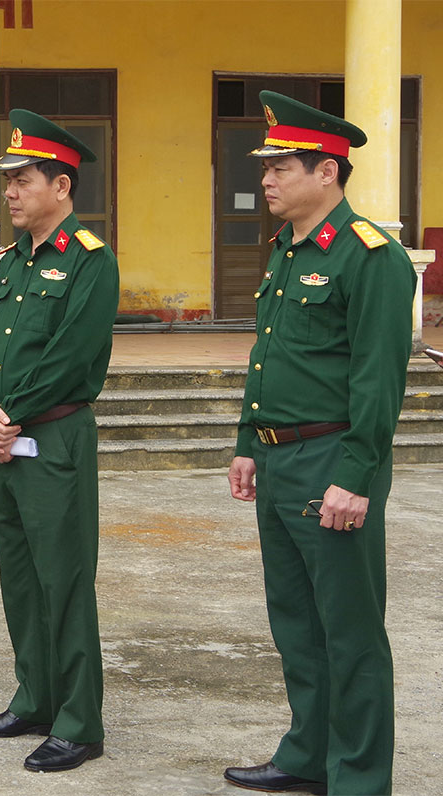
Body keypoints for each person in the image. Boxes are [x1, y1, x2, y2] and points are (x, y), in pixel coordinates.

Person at [225, 91, 415, 796]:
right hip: (278, 459)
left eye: (281, 165)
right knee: (298, 624)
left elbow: (377, 377)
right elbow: (270, 356)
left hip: (332, 458)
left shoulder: (372, 257)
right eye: (266, 166)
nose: (266, 179)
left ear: (327, 171)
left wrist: (357, 475)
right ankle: (308, 754)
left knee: (351, 632)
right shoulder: (288, 250)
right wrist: (249, 440)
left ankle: (360, 777)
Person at [0, 109, 118, 772]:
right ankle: (35, 697)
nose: (10, 193)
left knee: (65, 580)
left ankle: (79, 721)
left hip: (52, 440)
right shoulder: (14, 263)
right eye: (8, 181)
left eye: (22, 180)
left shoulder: (89, 261)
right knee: (21, 578)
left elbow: (71, 356)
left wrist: (6, 414)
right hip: (6, 441)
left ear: (61, 186)